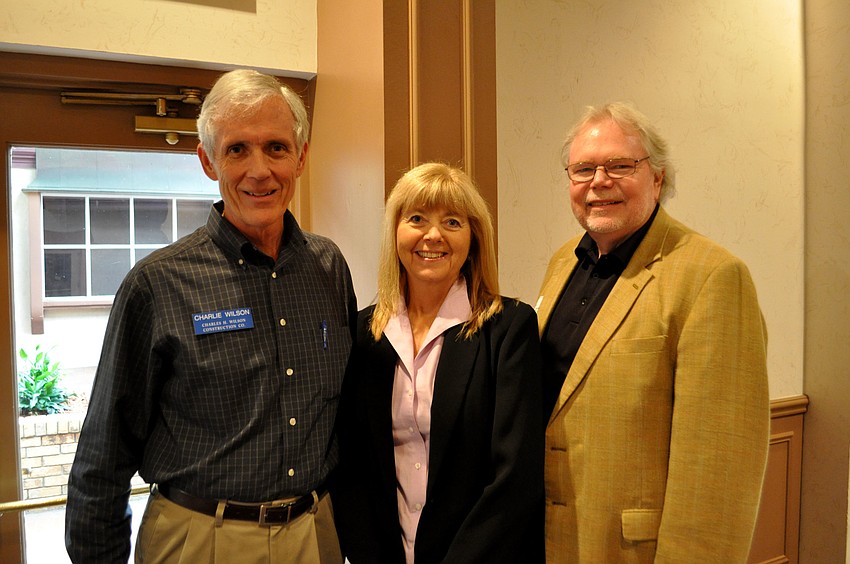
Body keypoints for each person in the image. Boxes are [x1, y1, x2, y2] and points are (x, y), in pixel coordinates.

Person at [65, 69, 357, 563]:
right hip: (201, 540)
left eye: (276, 148)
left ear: (301, 156)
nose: (259, 170)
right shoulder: (156, 284)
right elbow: (104, 455)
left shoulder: (328, 268)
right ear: (207, 160)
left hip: (316, 534)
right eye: (237, 149)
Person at [536, 102, 770, 563]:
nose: (599, 181)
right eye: (583, 169)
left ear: (658, 178)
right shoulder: (563, 262)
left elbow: (717, 478)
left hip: (630, 552)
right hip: (550, 540)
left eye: (620, 165)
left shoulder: (713, 276)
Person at [333, 163, 544, 563]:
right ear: (395, 232)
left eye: (452, 221)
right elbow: (353, 466)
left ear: (474, 237)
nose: (433, 235)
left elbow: (515, 477)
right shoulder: (365, 331)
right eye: (416, 219)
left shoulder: (509, 329)